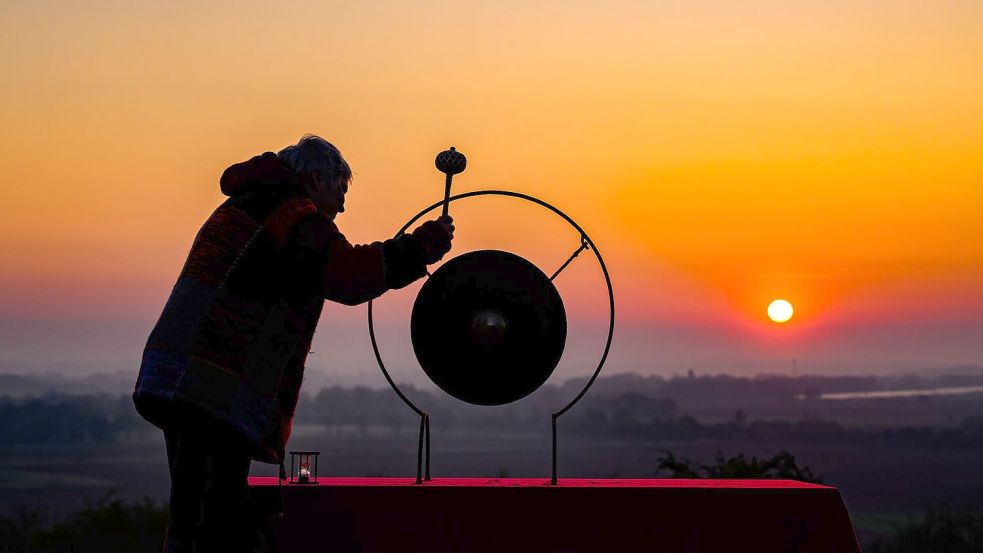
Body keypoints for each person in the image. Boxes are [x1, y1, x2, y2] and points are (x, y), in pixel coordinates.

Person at [132, 134, 454, 551]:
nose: (342, 205)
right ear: (317, 178)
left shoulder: (247, 204)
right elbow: (348, 274)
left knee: (196, 510)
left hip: (181, 376)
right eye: (340, 189)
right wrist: (419, 248)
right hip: (213, 385)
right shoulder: (292, 214)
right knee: (210, 518)